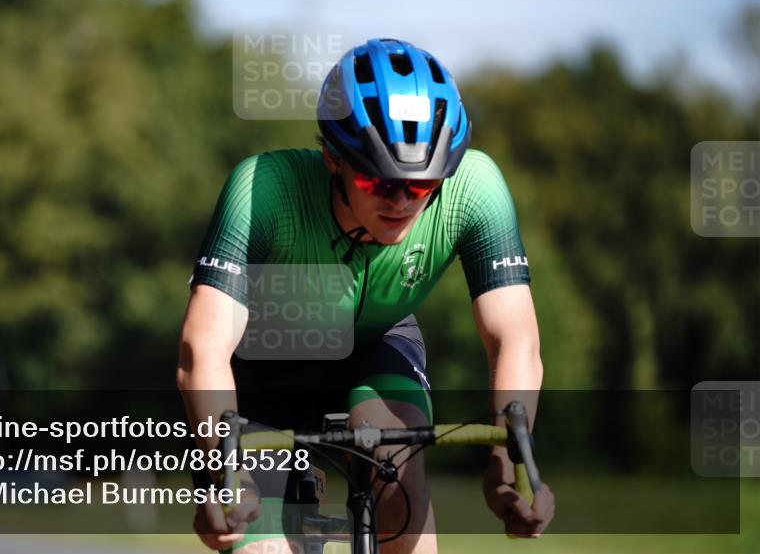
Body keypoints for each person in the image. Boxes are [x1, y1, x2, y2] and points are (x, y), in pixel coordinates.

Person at [177, 38, 555, 554]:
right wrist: (226, 474)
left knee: (400, 481)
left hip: (378, 342)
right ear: (333, 158)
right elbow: (203, 349)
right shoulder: (263, 189)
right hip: (261, 365)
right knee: (254, 542)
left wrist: (505, 467)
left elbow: (516, 343)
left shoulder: (476, 190)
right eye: (377, 180)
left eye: (421, 185)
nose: (400, 201)